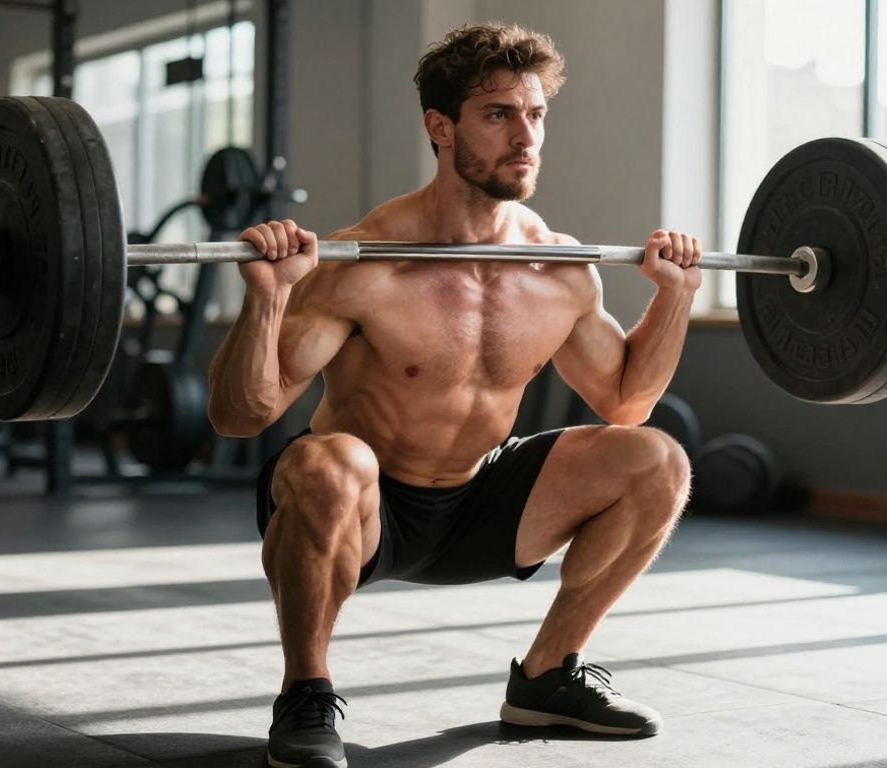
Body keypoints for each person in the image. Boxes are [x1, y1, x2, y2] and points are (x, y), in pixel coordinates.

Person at [208, 22, 702, 768]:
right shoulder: (367, 262)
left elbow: (626, 403)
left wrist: (676, 296)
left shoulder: (558, 269)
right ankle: (306, 692)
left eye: (535, 115)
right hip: (366, 513)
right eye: (499, 114)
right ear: (441, 127)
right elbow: (242, 416)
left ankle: (548, 676)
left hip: (481, 502)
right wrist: (267, 299)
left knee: (656, 460)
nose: (525, 136)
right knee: (322, 463)